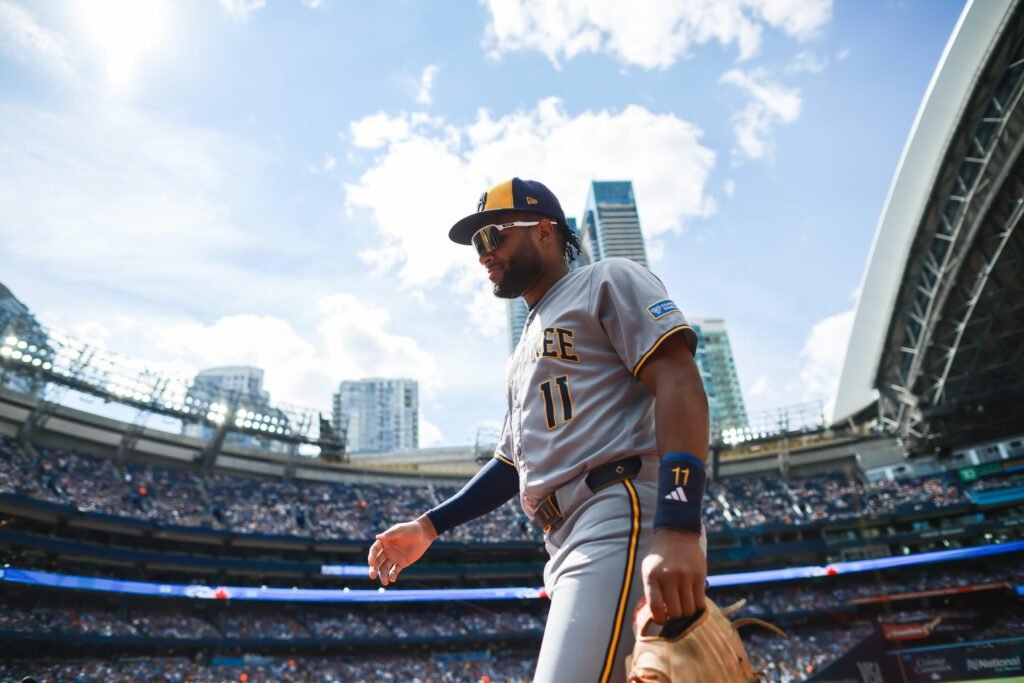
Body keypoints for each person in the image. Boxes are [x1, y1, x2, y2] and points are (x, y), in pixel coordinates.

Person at [368, 178, 709, 682]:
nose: (483, 255)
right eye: (477, 244)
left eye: (493, 237)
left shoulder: (607, 279)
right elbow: (511, 463)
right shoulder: (525, 342)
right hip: (564, 535)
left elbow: (678, 378)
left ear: (545, 231)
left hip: (617, 506)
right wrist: (430, 525)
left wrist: (678, 525)